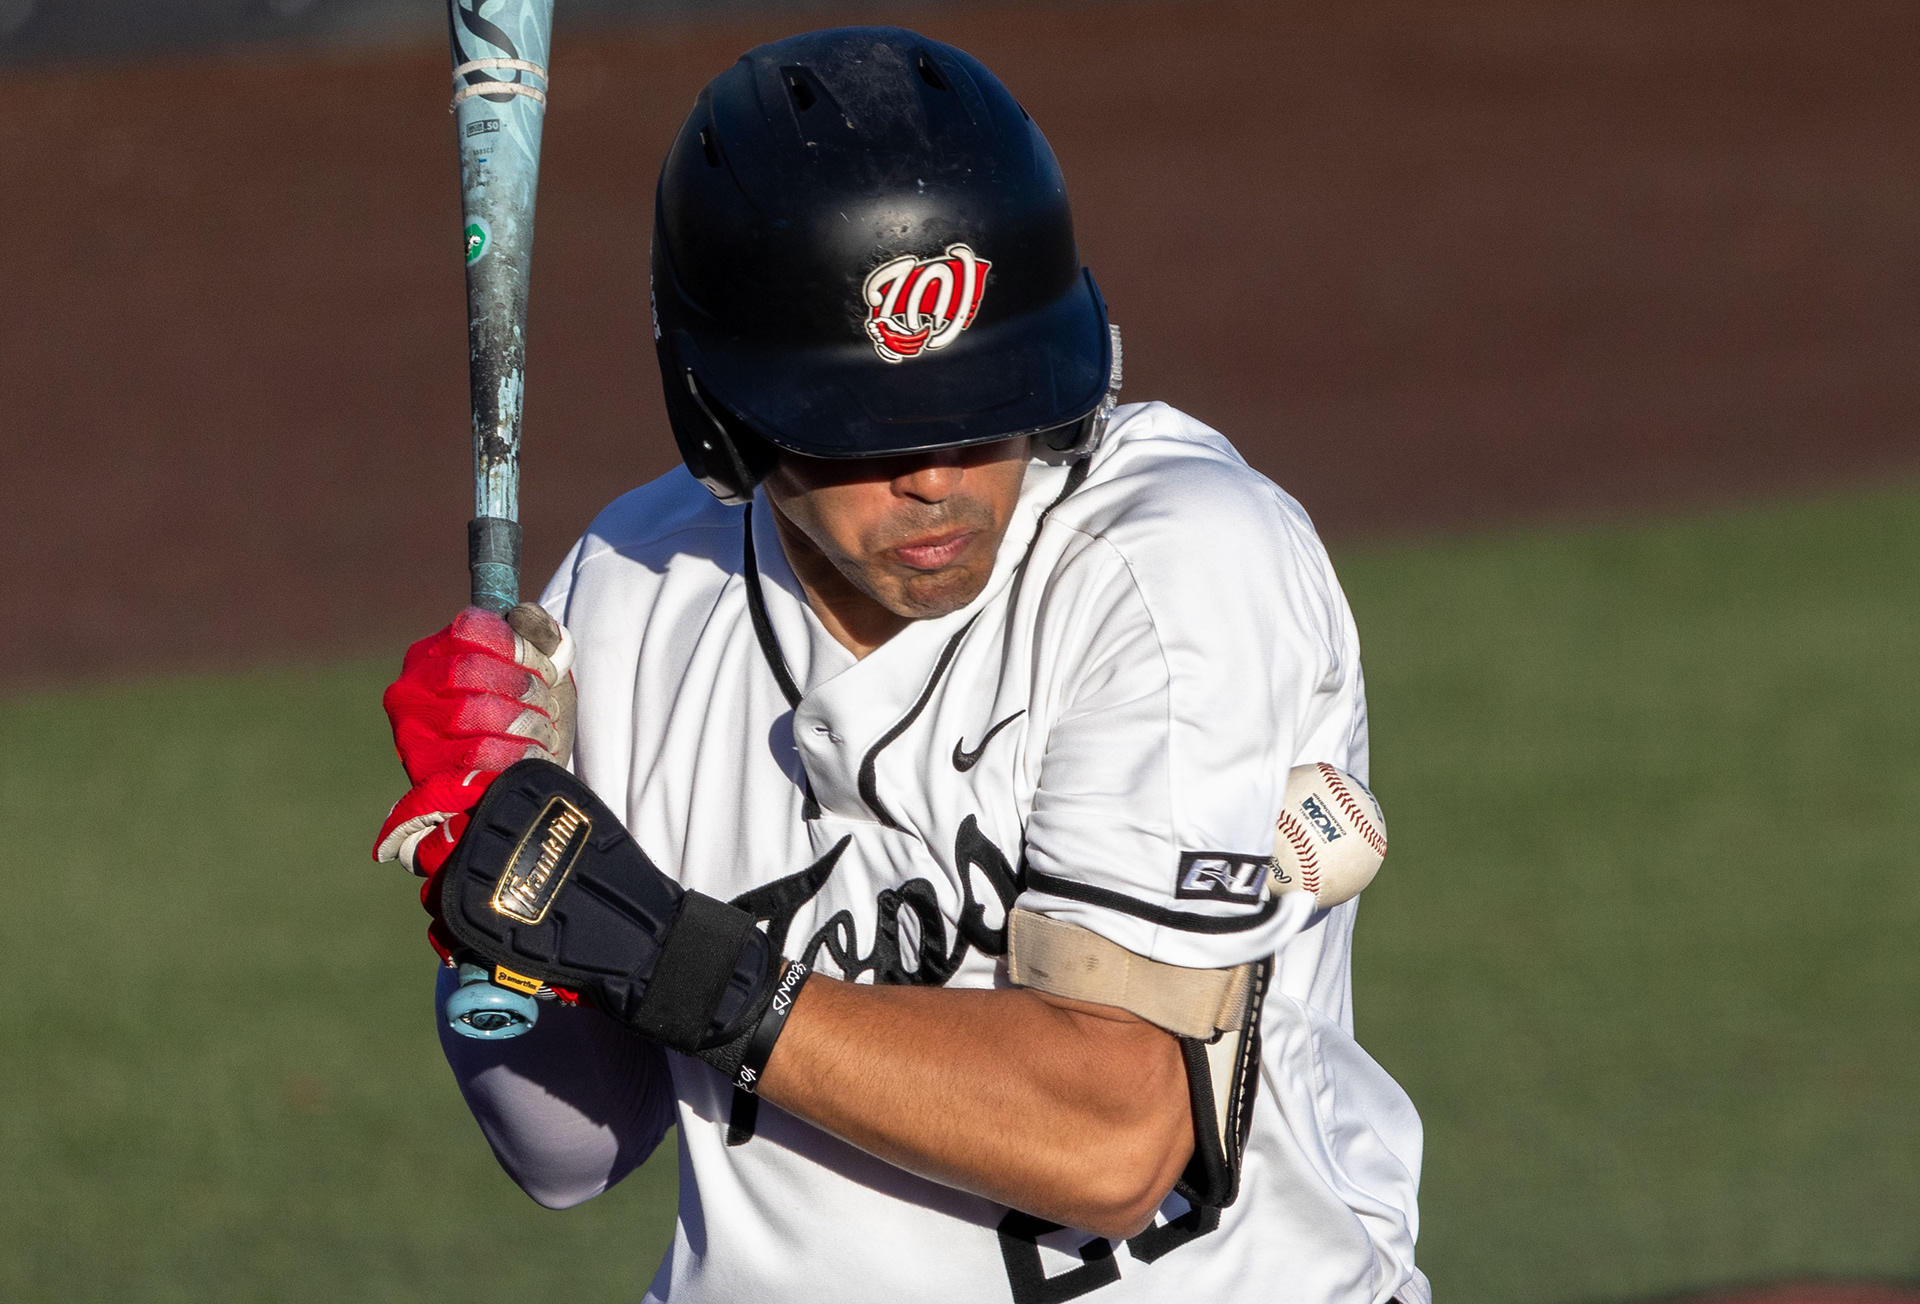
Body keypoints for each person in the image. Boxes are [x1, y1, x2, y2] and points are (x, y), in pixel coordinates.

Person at [375, 26, 1427, 1304]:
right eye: (865, 433)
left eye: (984, 405)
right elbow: (573, 1149)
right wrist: (493, 904)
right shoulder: (636, 594)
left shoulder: (1171, 570)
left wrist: (667, 957)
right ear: (727, 414)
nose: (935, 478)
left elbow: (1114, 1135)